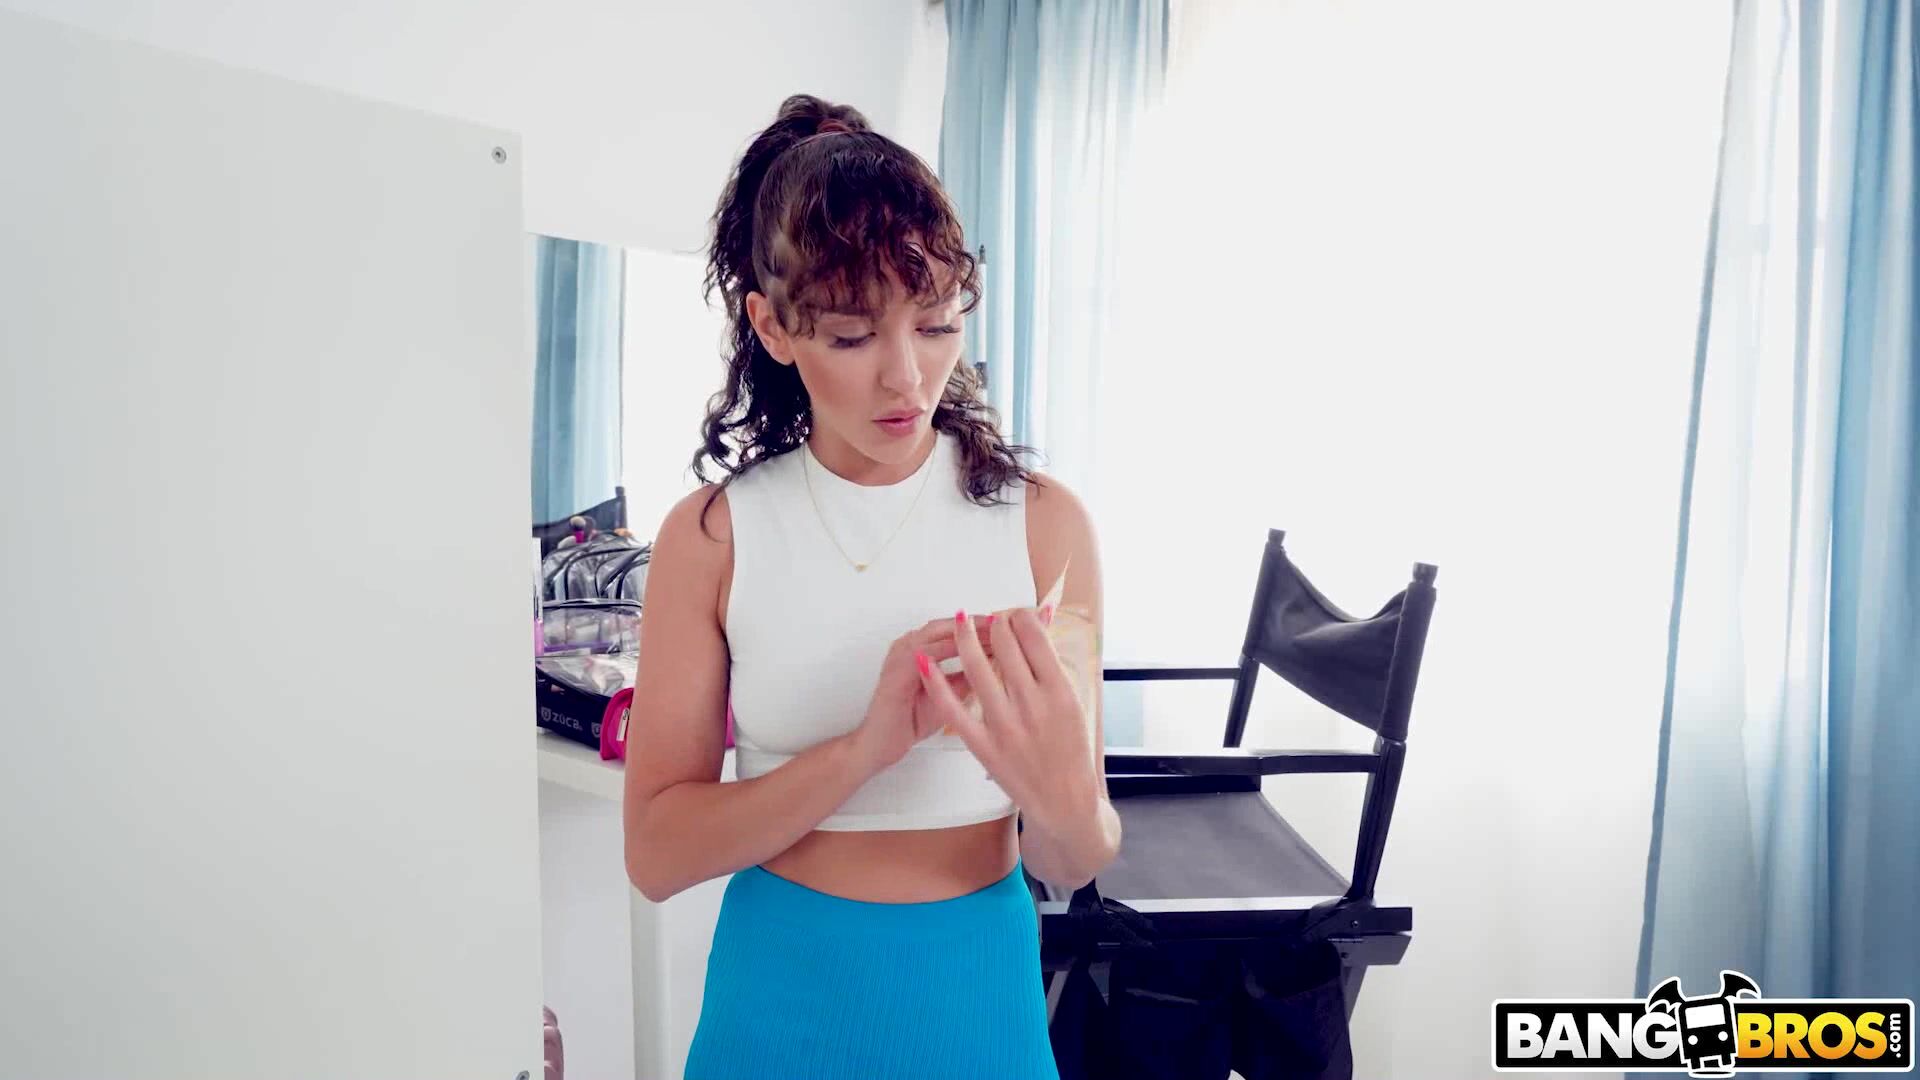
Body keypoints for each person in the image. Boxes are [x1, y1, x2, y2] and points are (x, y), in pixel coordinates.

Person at [620, 93, 1121, 1080]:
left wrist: (1060, 801)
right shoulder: (714, 537)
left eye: (934, 325)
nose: (907, 377)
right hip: (779, 1003)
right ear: (772, 327)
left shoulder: (1044, 526)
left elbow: (1073, 857)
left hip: (975, 1000)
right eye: (852, 338)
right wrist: (863, 750)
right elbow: (657, 855)